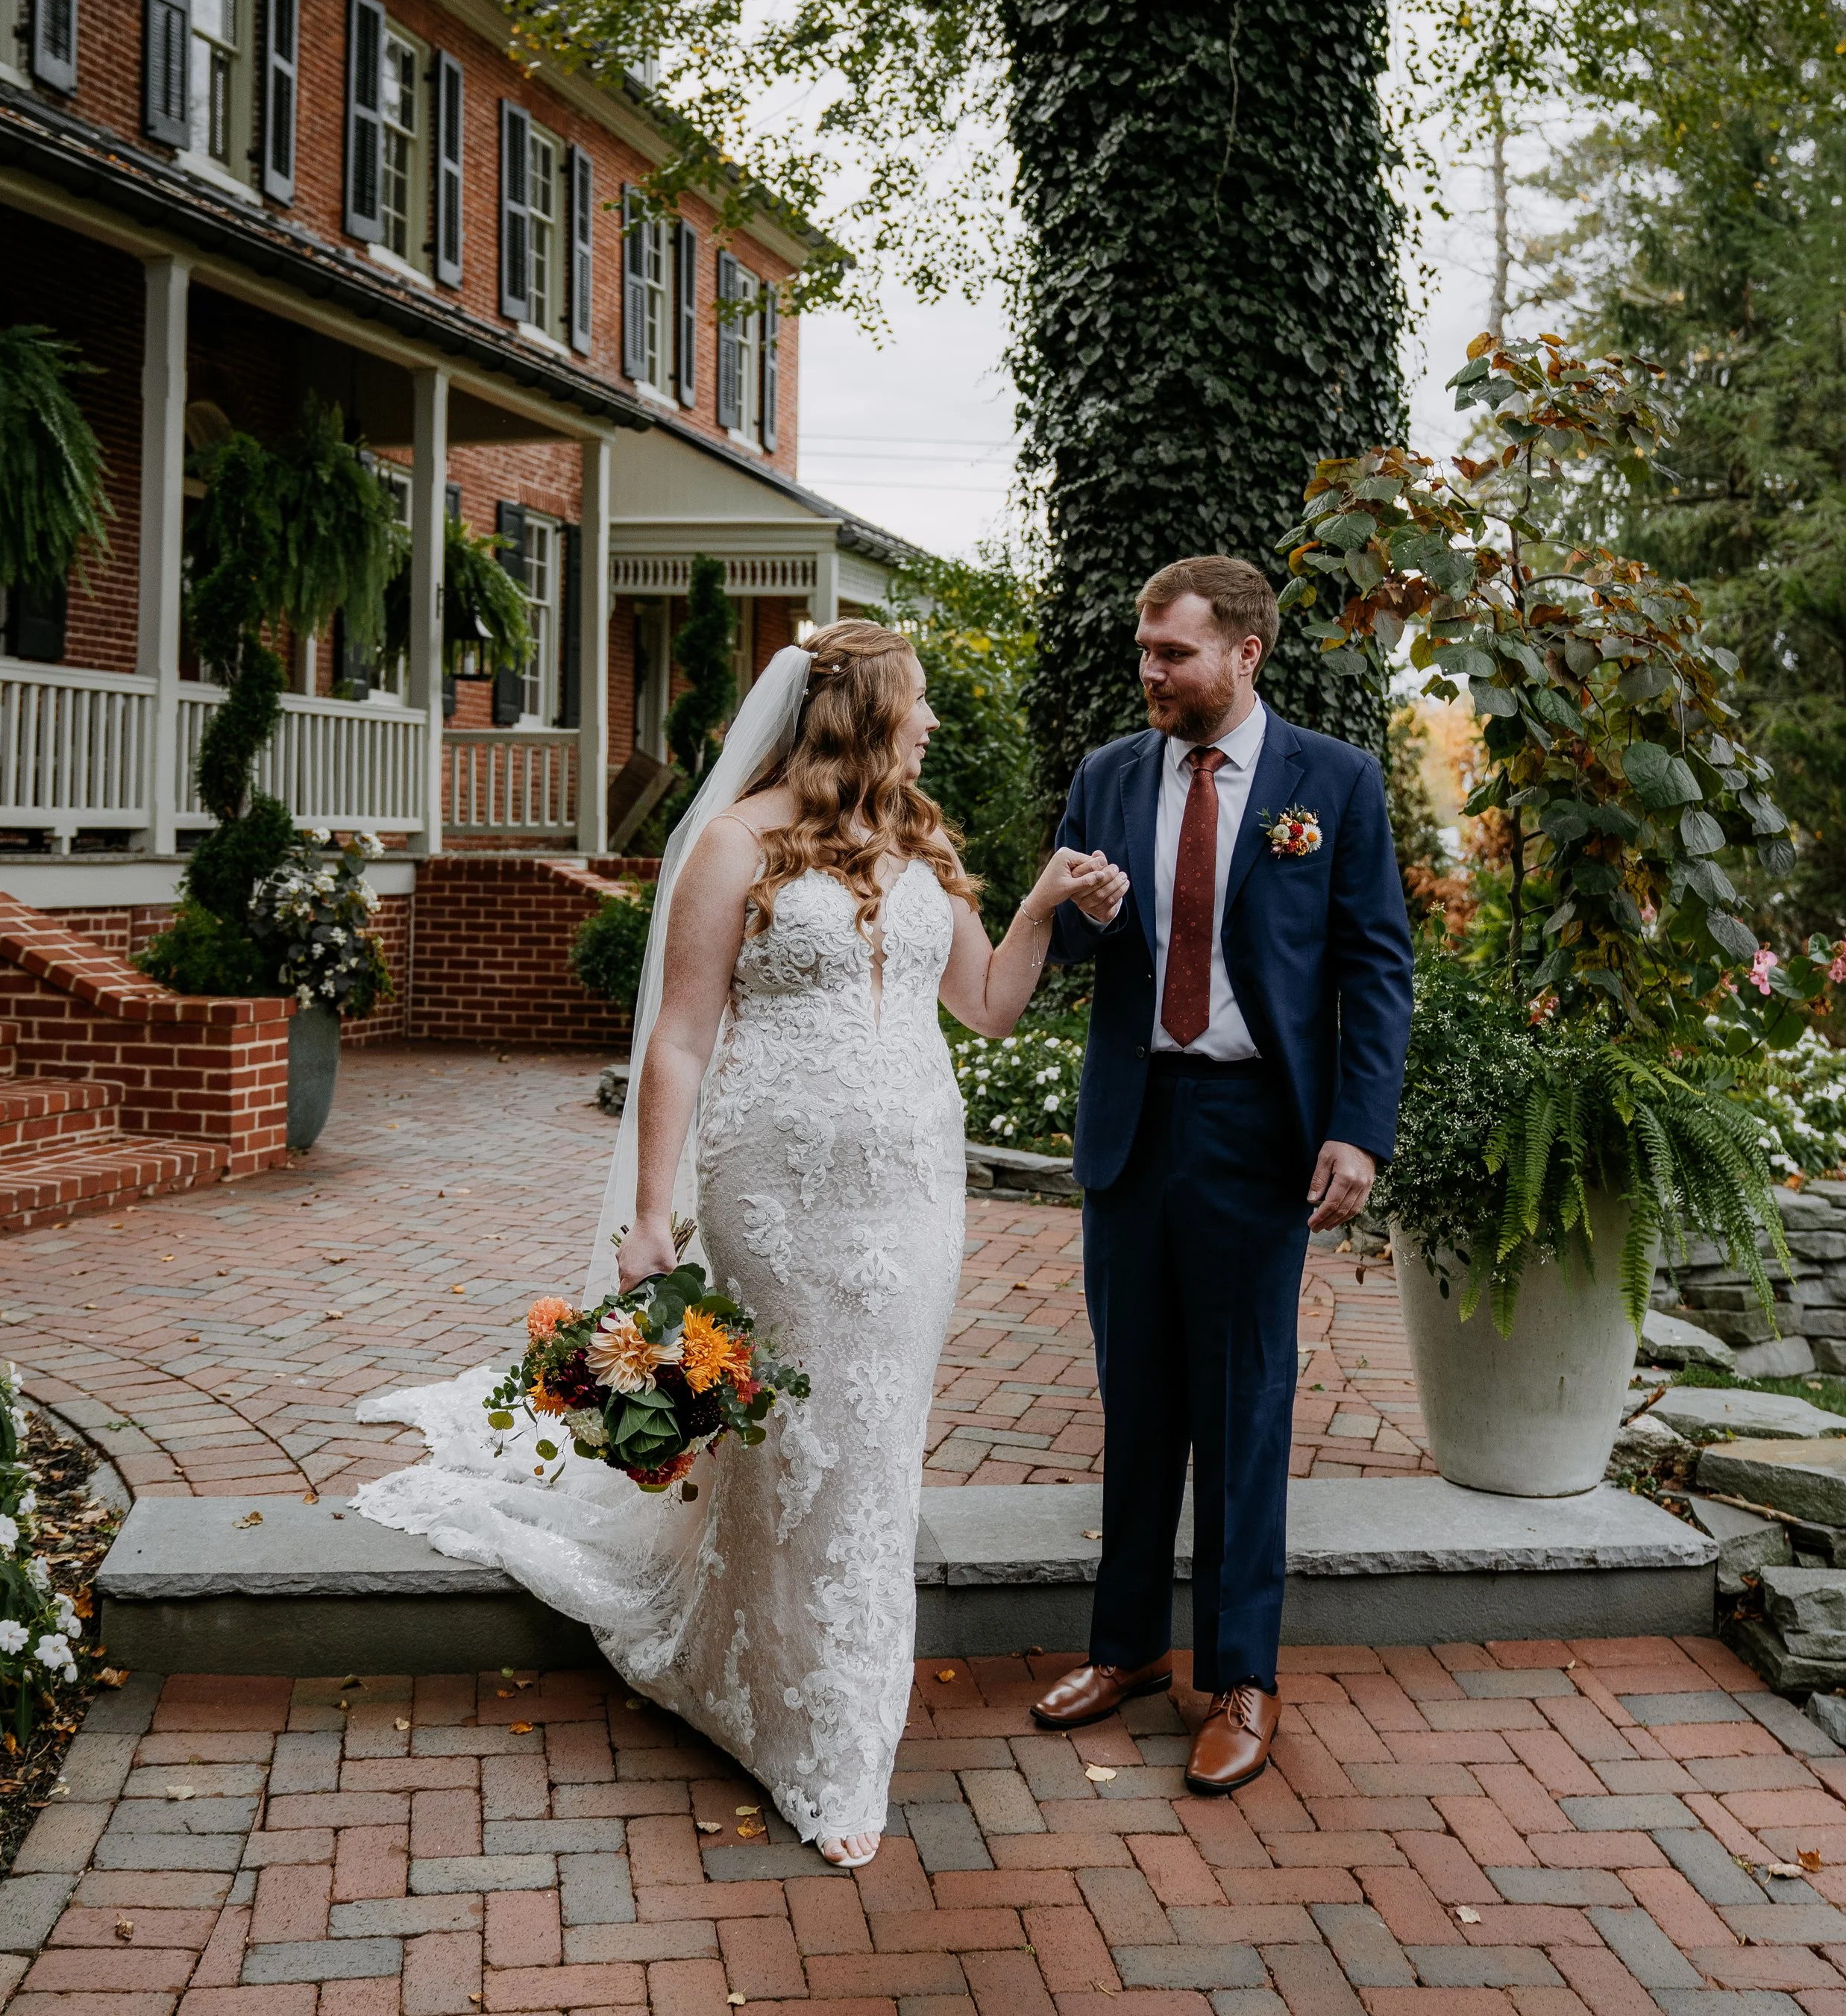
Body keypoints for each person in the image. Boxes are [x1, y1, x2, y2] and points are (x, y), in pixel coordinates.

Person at [358, 621, 1126, 1870]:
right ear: (864, 710)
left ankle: (813, 1686)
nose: (931, 725)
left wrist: (1042, 900)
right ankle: (815, 1729)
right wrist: (649, 1217)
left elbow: (988, 1005)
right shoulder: (734, 844)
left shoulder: (923, 842)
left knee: (876, 1440)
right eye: (917, 705)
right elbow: (677, 1042)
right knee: (808, 1438)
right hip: (779, 1196)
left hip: (915, 1198)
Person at [1029, 556, 1412, 1796]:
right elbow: (1081, 943)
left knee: (1243, 1409)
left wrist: (1358, 1128)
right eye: (1144, 648)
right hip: (1134, 1125)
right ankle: (1128, 1648)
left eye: (1173, 653)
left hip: (1262, 1129)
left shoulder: (1335, 784)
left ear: (1246, 654)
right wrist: (1081, 912)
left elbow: (1377, 965)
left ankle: (1244, 1674)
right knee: (1137, 1397)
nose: (1149, 670)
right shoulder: (1106, 774)